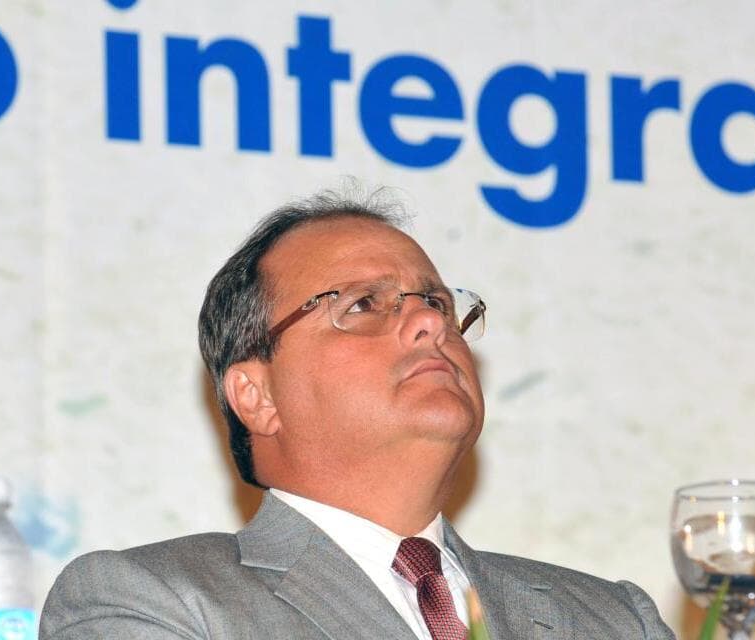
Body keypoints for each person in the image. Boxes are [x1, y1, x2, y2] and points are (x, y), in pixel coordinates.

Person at [40, 189, 675, 640]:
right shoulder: (148, 600)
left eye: (436, 302)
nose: (429, 321)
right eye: (363, 304)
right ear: (258, 396)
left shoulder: (618, 620)